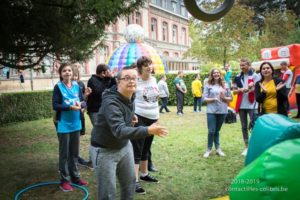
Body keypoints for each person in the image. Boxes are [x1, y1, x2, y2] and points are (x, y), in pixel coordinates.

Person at [90, 66, 168, 200]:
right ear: (118, 81)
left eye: (134, 78)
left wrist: (130, 118)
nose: (131, 81)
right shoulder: (111, 102)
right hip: (104, 151)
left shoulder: (131, 95)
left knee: (130, 184)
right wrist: (148, 129)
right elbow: (119, 130)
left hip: (124, 147)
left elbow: (124, 114)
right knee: (108, 193)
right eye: (126, 78)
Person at [52, 63, 88, 192]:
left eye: (69, 71)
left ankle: (75, 178)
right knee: (64, 155)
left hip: (76, 124)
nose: (67, 73)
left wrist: (82, 105)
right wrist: (69, 107)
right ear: (61, 74)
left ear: (72, 73)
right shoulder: (58, 87)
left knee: (74, 153)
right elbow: (55, 105)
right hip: (64, 125)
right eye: (64, 71)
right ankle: (64, 181)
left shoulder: (77, 86)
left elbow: (83, 100)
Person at [130, 56, 160, 194]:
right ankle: (134, 181)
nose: (149, 66)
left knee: (146, 148)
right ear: (140, 68)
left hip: (153, 118)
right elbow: (127, 99)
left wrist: (157, 117)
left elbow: (155, 101)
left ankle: (144, 174)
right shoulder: (135, 81)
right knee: (137, 149)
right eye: (146, 65)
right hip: (140, 117)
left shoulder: (154, 79)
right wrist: (131, 114)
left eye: (150, 64)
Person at [232, 58, 260, 156]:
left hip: (253, 104)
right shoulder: (237, 77)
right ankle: (247, 147)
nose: (242, 67)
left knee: (254, 125)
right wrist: (241, 90)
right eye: (241, 65)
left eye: (243, 65)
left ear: (249, 65)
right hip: (241, 105)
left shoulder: (255, 76)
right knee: (244, 126)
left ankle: (255, 146)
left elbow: (258, 88)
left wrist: (251, 89)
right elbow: (234, 91)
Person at [203, 68, 232, 158]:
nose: (216, 74)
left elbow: (230, 98)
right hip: (211, 111)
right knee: (211, 130)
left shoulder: (225, 85)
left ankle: (218, 149)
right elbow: (204, 99)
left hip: (222, 111)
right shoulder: (208, 85)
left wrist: (223, 98)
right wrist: (214, 99)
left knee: (217, 131)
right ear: (211, 75)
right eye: (214, 73)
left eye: (218, 72)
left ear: (220, 74)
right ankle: (208, 149)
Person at [72, 66, 92, 168]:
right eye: (73, 76)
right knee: (70, 140)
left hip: (79, 115)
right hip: (70, 117)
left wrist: (86, 95)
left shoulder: (80, 84)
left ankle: (76, 157)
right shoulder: (64, 86)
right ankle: (72, 159)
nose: (75, 78)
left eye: (76, 76)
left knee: (77, 137)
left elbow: (83, 100)